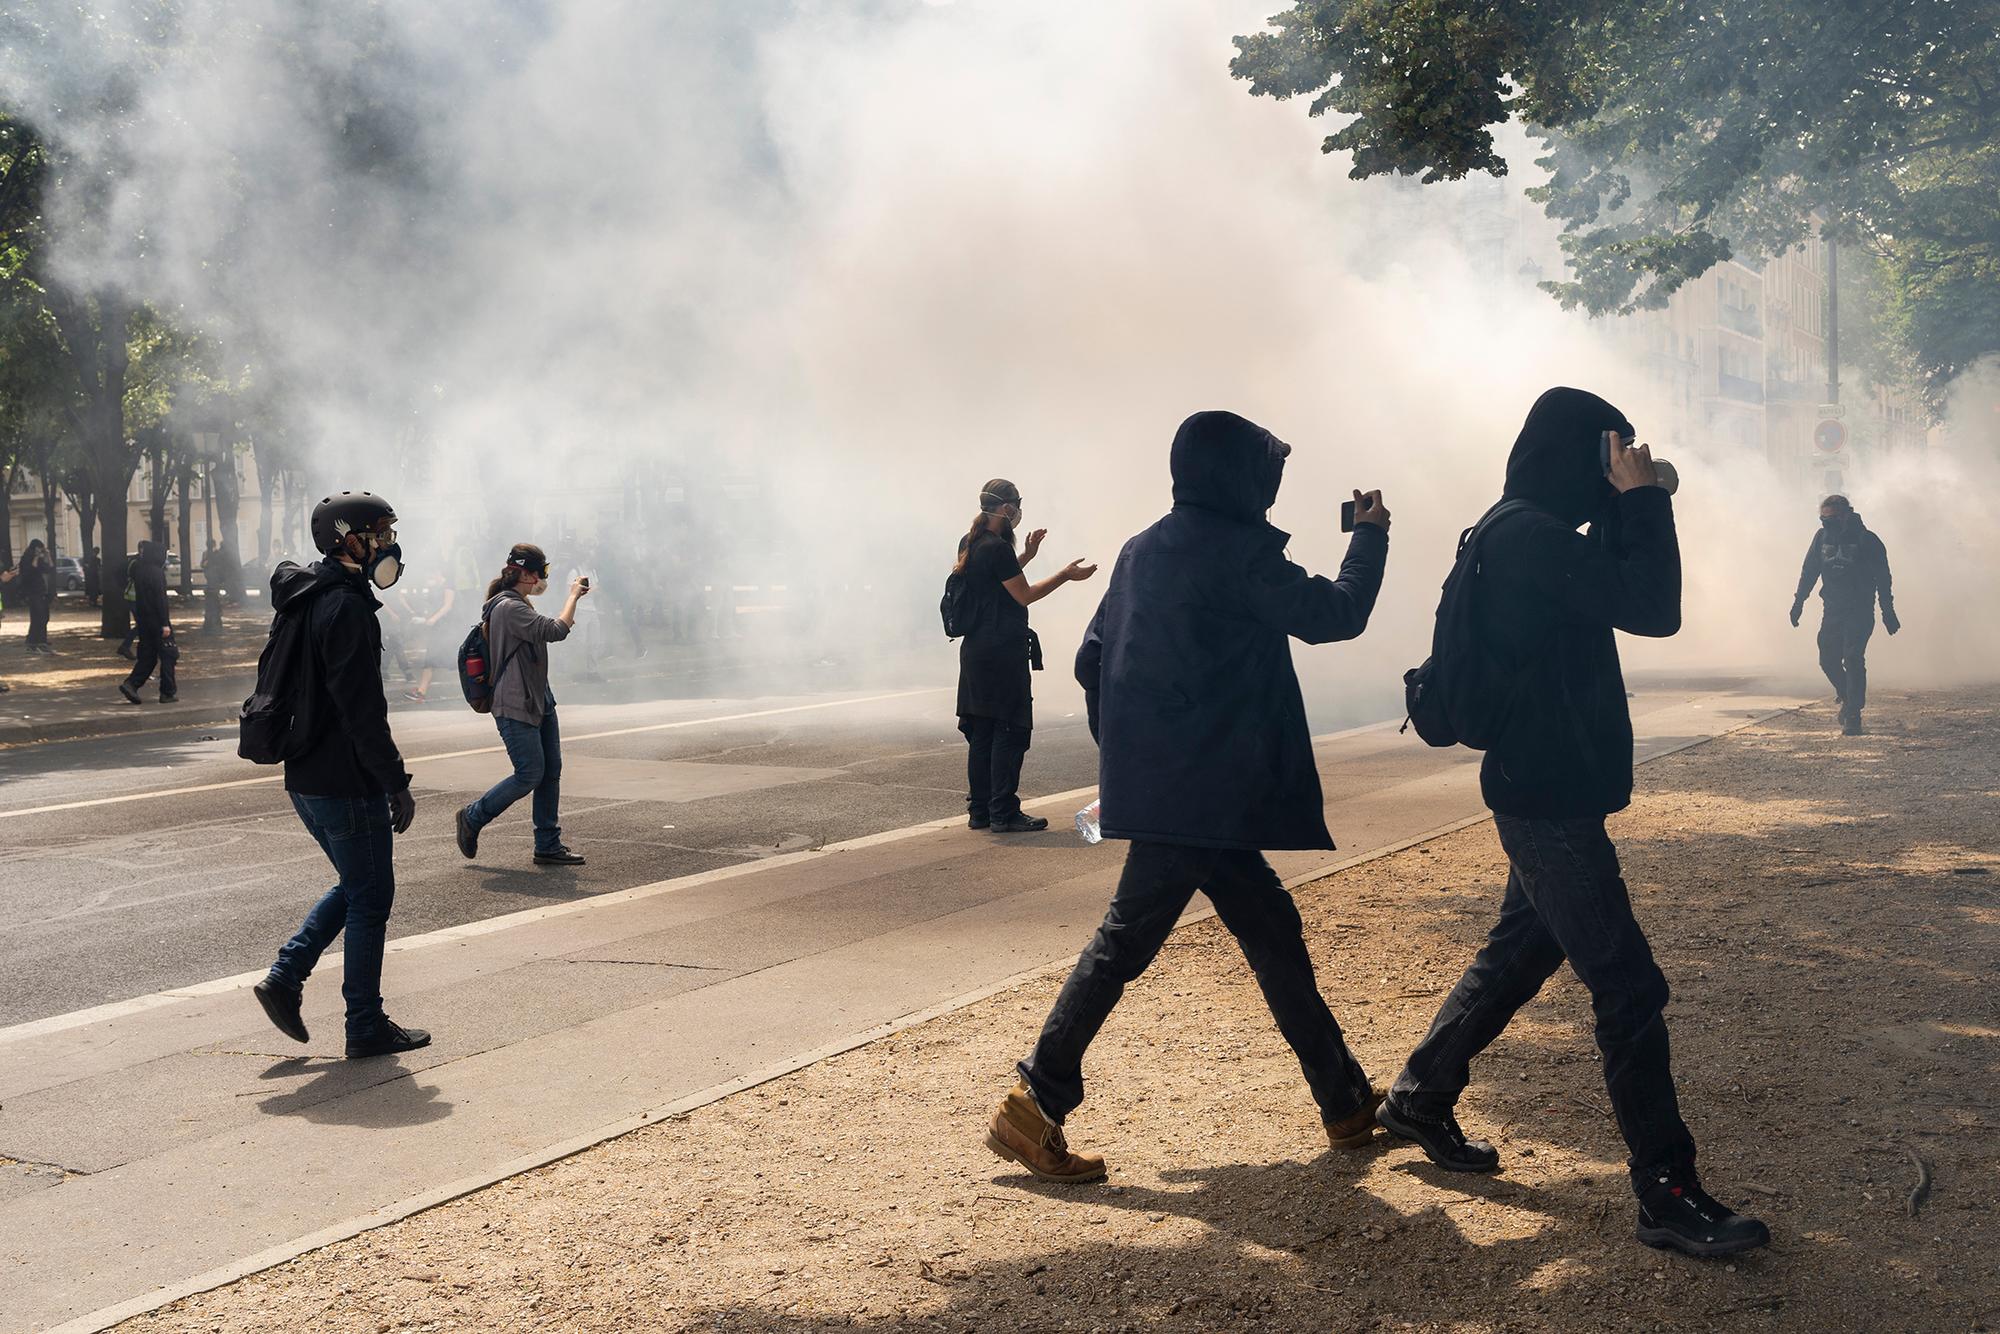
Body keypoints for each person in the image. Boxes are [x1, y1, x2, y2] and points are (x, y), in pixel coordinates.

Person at [1379, 387, 1768, 1258]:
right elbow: (1654, 607)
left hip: (1547, 786)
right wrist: (1642, 500)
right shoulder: (1531, 540)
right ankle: (1665, 1193)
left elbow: (1619, 583)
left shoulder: (1520, 528)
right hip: (1544, 799)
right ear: (1580, 458)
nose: (1618, 469)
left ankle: (1418, 1096)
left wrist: (1640, 495)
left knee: (1518, 952)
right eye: (1610, 452)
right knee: (1630, 988)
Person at [986, 412, 1390, 1182]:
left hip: (1181, 788)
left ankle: (1344, 1101)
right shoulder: (1239, 552)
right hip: (1210, 791)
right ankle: (1033, 1104)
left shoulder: (1141, 550)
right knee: (1127, 942)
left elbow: (1090, 657)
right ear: (1238, 477)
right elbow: (1339, 616)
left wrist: (1133, 759)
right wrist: (1369, 535)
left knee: (1269, 930)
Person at [251, 491, 428, 1059]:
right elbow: (361, 710)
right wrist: (394, 780)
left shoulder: (309, 593)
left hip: (306, 776)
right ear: (346, 540)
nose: (388, 545)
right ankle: (365, 1023)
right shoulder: (346, 607)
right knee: (372, 896)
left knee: (359, 884)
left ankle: (285, 978)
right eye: (377, 533)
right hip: (343, 778)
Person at [952, 479, 1096, 834]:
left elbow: (996, 580)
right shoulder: (996, 548)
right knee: (1008, 731)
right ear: (1005, 508)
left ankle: (980, 812)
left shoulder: (972, 542)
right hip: (1001, 654)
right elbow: (1024, 595)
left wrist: (1027, 556)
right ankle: (1003, 812)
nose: (1018, 512)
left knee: (982, 732)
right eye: (1016, 504)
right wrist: (1064, 575)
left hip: (975, 653)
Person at [453, 544, 589, 866]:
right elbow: (556, 630)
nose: (543, 579)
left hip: (539, 700)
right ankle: (472, 816)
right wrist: (573, 597)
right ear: (527, 575)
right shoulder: (509, 608)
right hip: (516, 704)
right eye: (541, 573)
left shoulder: (516, 603)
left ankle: (547, 844)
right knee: (529, 774)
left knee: (550, 772)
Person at [1791, 494, 1897, 736]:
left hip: (1859, 611)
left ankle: (1853, 715)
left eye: (1832, 519)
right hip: (1832, 611)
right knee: (1827, 660)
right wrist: (1799, 602)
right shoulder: (1821, 538)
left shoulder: (1867, 540)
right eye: (1823, 519)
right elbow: (1809, 571)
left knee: (1852, 657)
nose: (1827, 523)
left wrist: (1887, 610)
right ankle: (1848, 697)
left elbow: (1883, 578)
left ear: (1846, 514)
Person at [117, 541, 177, 704]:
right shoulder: (156, 573)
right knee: (169, 654)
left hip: (144, 620)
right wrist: (165, 623)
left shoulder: (140, 570)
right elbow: (160, 600)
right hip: (157, 621)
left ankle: (132, 684)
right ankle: (167, 692)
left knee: (148, 656)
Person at [395, 568, 456, 701]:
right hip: (438, 629)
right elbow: (432, 608)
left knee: (455, 659)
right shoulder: (434, 588)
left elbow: (448, 606)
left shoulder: (448, 585)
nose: (429, 578)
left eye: (430, 574)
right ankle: (421, 692)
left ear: (437, 572)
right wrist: (425, 619)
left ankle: (478, 688)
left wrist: (433, 619)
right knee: (430, 659)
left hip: (448, 628)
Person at [16, 540, 56, 654]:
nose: (40, 551)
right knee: (37, 617)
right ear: (34, 548)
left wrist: (48, 556)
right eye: (39, 548)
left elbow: (49, 569)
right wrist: (36, 557)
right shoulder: (27, 558)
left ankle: (41, 640)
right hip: (32, 592)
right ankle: (34, 642)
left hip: (41, 591)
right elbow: (30, 570)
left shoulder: (38, 558)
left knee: (44, 616)